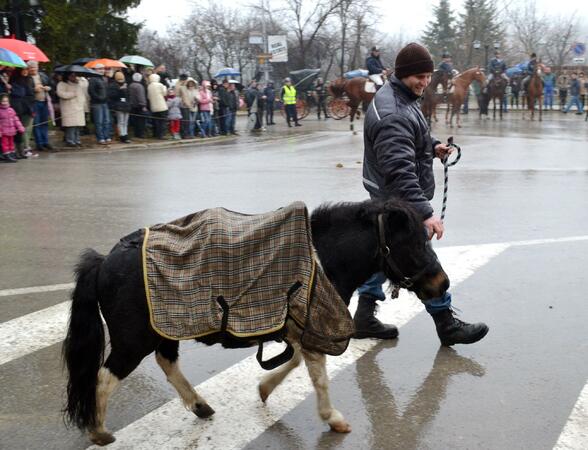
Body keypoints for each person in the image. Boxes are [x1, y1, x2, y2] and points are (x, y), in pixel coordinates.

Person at [358, 42, 489, 346]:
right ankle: (447, 324)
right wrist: (426, 212)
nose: (425, 82)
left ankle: (363, 317)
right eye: (419, 76)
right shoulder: (393, 112)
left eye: (428, 76)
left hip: (387, 197)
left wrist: (433, 147)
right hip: (398, 202)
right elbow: (398, 170)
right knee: (422, 262)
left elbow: (412, 135)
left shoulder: (401, 97)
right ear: (403, 74)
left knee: (382, 256)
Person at [27, 61, 53, 152]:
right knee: (37, 124)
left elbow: (50, 84)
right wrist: (34, 90)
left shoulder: (43, 75)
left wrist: (48, 88)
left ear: (38, 67)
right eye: (31, 67)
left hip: (44, 101)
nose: (33, 69)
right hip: (34, 102)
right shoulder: (27, 77)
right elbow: (26, 91)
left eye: (35, 67)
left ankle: (46, 142)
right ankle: (39, 143)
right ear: (28, 68)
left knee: (45, 123)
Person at [9, 67, 35, 158]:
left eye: (27, 70)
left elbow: (31, 95)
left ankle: (21, 150)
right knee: (16, 130)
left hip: (26, 108)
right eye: (23, 70)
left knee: (22, 129)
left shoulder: (29, 80)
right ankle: (15, 151)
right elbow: (17, 94)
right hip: (17, 107)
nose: (25, 71)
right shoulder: (14, 80)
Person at [57, 72, 86, 147]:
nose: (74, 77)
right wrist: (72, 94)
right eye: (72, 76)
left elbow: (83, 93)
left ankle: (77, 140)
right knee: (71, 126)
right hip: (69, 107)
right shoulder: (62, 84)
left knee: (78, 126)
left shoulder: (78, 84)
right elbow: (61, 94)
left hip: (78, 107)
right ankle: (70, 140)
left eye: (75, 76)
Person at [88, 64, 112, 145]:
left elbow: (106, 90)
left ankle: (106, 136)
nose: (102, 70)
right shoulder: (93, 79)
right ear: (95, 70)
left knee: (107, 121)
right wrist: (98, 98)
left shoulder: (103, 78)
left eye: (103, 69)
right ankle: (100, 138)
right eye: (100, 69)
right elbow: (91, 91)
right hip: (97, 103)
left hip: (105, 103)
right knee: (99, 122)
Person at [0, 93, 25, 163]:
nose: (5, 103)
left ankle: (12, 154)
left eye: (6, 101)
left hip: (11, 131)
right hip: (4, 132)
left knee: (11, 143)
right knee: (5, 144)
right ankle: (7, 155)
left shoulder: (11, 110)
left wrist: (20, 127)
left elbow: (16, 120)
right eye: (3, 101)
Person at [108, 71, 132, 143]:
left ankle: (125, 134)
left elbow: (128, 95)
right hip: (119, 106)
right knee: (120, 121)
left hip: (126, 105)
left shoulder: (126, 85)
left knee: (125, 121)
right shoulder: (113, 85)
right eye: (119, 79)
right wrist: (120, 90)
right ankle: (122, 135)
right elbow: (112, 96)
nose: (121, 81)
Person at [147, 73, 168, 139]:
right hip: (162, 106)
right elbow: (164, 94)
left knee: (156, 121)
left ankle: (156, 134)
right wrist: (165, 87)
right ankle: (161, 135)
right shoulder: (160, 85)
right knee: (162, 121)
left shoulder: (149, 86)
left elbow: (148, 97)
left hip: (153, 107)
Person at [129, 73, 147, 138]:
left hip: (133, 105)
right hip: (139, 105)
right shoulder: (139, 86)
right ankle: (141, 134)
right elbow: (141, 96)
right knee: (141, 121)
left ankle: (136, 133)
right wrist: (143, 105)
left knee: (136, 120)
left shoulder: (130, 85)